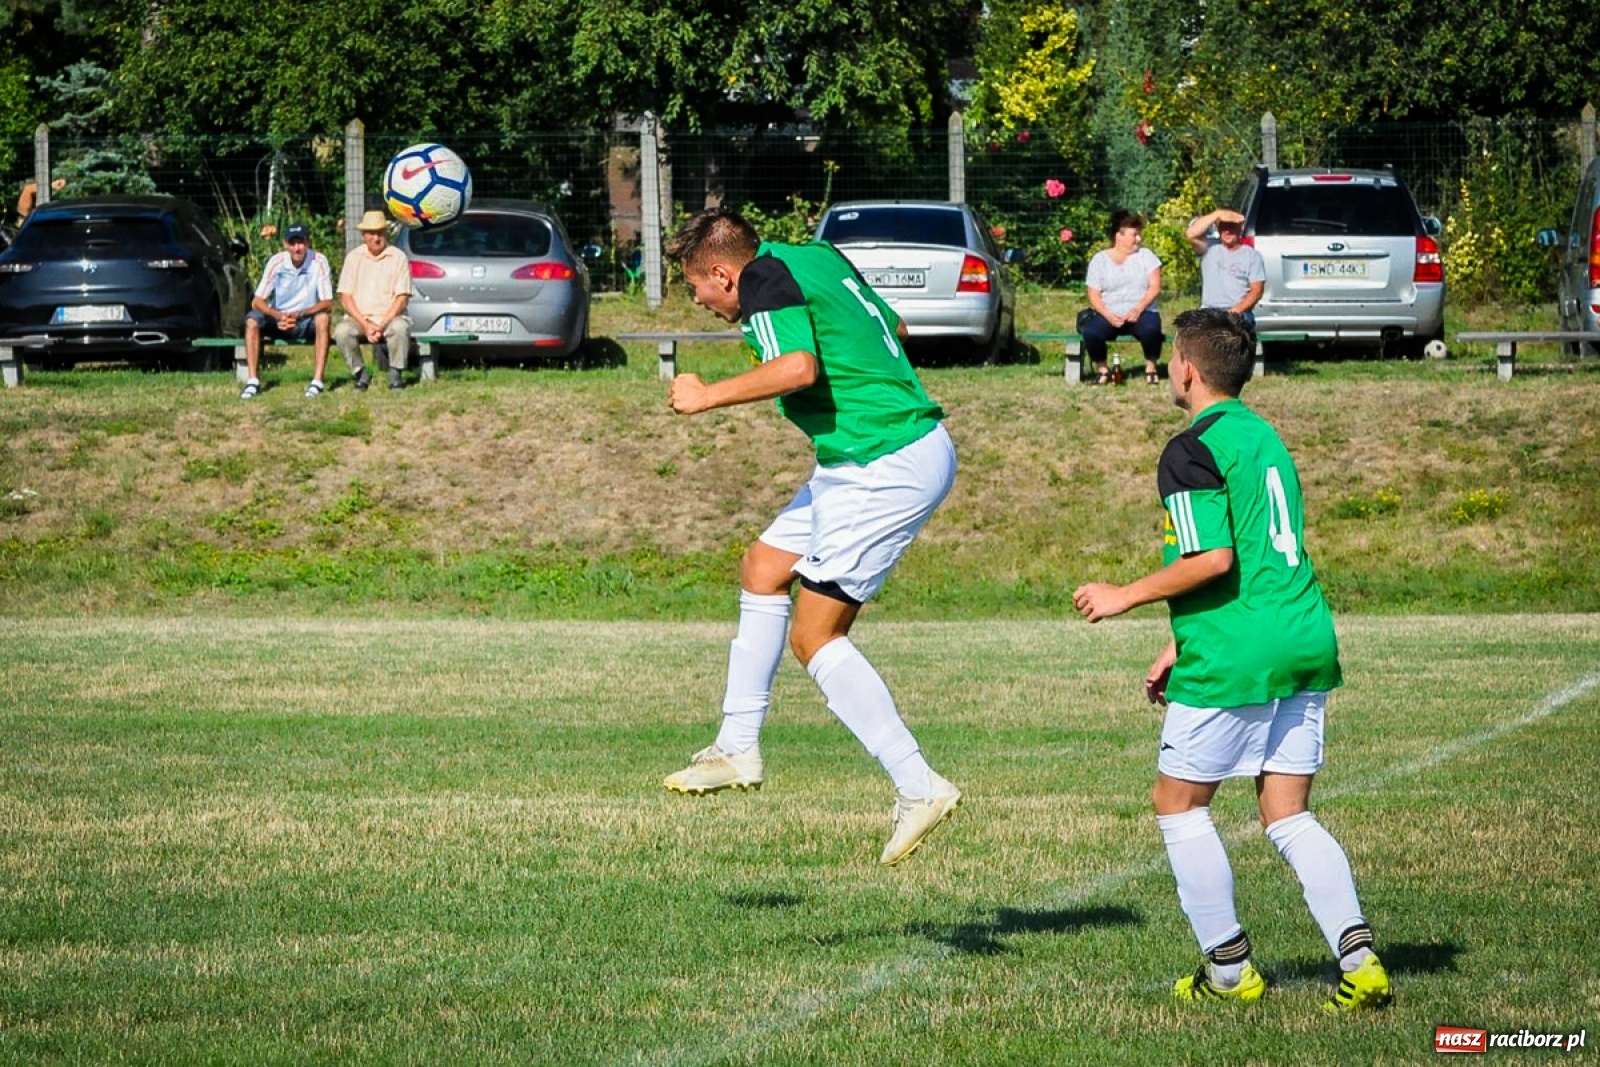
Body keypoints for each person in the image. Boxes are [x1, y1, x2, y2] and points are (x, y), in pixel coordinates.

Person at [1071, 308, 1392, 1012]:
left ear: (1185, 368)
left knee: (1179, 804)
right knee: (1287, 811)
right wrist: (1177, 640)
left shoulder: (1191, 449)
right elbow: (1257, 550)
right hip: (1302, 634)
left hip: (1239, 651)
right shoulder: (1264, 436)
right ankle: (1361, 962)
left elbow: (1212, 558)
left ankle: (1229, 971)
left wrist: (1124, 595)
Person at [661, 205, 962, 867]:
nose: (700, 300)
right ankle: (737, 744)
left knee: (815, 635)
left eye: (696, 286)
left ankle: (918, 784)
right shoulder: (813, 257)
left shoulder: (762, 279)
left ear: (722, 274)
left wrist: (707, 395)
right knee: (763, 567)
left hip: (883, 461)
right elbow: (893, 326)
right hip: (863, 454)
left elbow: (797, 366)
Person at [240, 222, 334, 400]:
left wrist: (300, 314)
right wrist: (278, 315)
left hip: (305, 318)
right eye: (293, 243)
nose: (297, 248)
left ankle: (317, 381)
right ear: (285, 244)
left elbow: (327, 303)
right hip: (278, 318)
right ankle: (252, 381)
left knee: (323, 319)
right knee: (252, 321)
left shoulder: (319, 261)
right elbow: (257, 301)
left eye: (301, 243)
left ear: (308, 243)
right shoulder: (276, 262)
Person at [1080, 209, 1163, 385]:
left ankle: (1151, 367)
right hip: (1110, 313)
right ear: (1119, 236)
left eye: (1139, 234)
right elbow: (1093, 294)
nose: (1139, 239)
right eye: (1134, 235)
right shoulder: (1099, 260)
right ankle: (1103, 370)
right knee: (1091, 332)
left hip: (1141, 312)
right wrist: (1108, 315)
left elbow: (1155, 287)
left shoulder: (1146, 256)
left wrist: (1138, 308)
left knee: (1151, 330)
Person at [334, 210, 414, 391]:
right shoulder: (353, 258)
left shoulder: (398, 257)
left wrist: (382, 323)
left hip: (390, 318)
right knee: (341, 331)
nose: (376, 238)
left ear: (386, 233)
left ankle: (395, 374)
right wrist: (366, 324)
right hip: (360, 318)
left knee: (400, 328)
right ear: (363, 235)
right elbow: (346, 297)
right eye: (371, 233)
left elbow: (402, 298)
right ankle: (360, 373)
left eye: (380, 233)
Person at [1186, 208, 1266, 326]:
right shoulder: (1208, 248)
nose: (1227, 231)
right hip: (1209, 312)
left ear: (1240, 229)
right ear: (1218, 229)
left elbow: (1257, 291)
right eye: (1223, 227)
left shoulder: (1252, 256)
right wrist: (1217, 214)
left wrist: (1234, 312)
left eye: (1231, 227)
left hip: (1238, 314)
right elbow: (1191, 234)